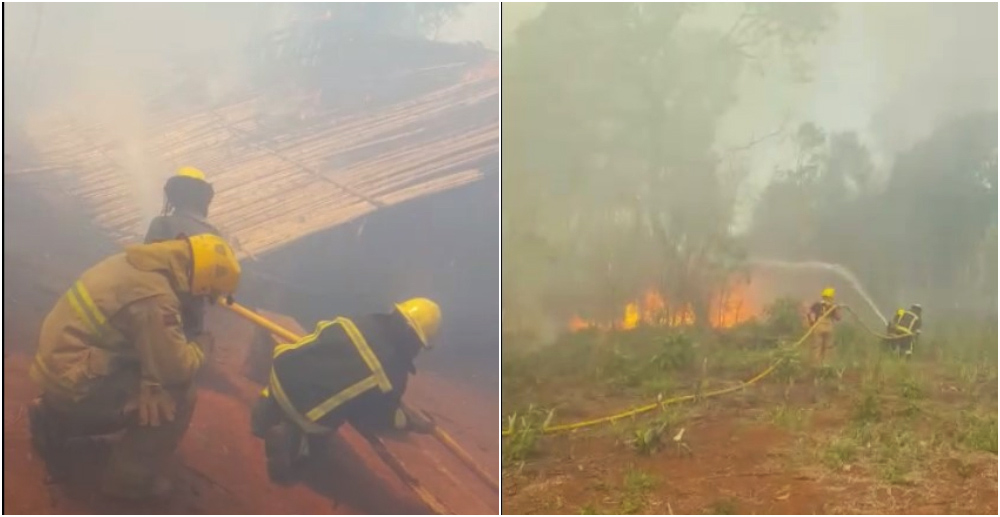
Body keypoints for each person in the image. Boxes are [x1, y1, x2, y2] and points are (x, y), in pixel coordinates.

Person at [28, 234, 241, 499]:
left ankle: (53, 418)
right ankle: (129, 481)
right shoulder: (156, 298)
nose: (203, 303)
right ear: (200, 283)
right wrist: (201, 347)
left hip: (59, 362)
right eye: (207, 296)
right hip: (75, 379)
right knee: (177, 396)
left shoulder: (139, 262)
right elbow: (175, 368)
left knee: (149, 374)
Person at [250, 298, 442, 485]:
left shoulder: (362, 321)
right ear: (416, 341)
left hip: (282, 371)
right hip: (307, 410)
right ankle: (295, 441)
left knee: (292, 385)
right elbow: (377, 417)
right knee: (320, 445)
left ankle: (265, 411)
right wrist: (411, 422)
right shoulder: (393, 374)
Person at [145, 166, 220, 342]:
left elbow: (144, 266)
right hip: (193, 316)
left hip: (160, 307)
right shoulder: (214, 235)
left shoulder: (162, 224)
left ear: (175, 196)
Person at [807, 287, 841, 365]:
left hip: (819, 327)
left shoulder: (817, 305)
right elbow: (838, 318)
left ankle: (816, 365)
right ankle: (825, 365)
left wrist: (812, 324)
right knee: (827, 347)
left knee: (817, 347)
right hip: (828, 327)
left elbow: (811, 315)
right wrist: (837, 309)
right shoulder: (832, 306)